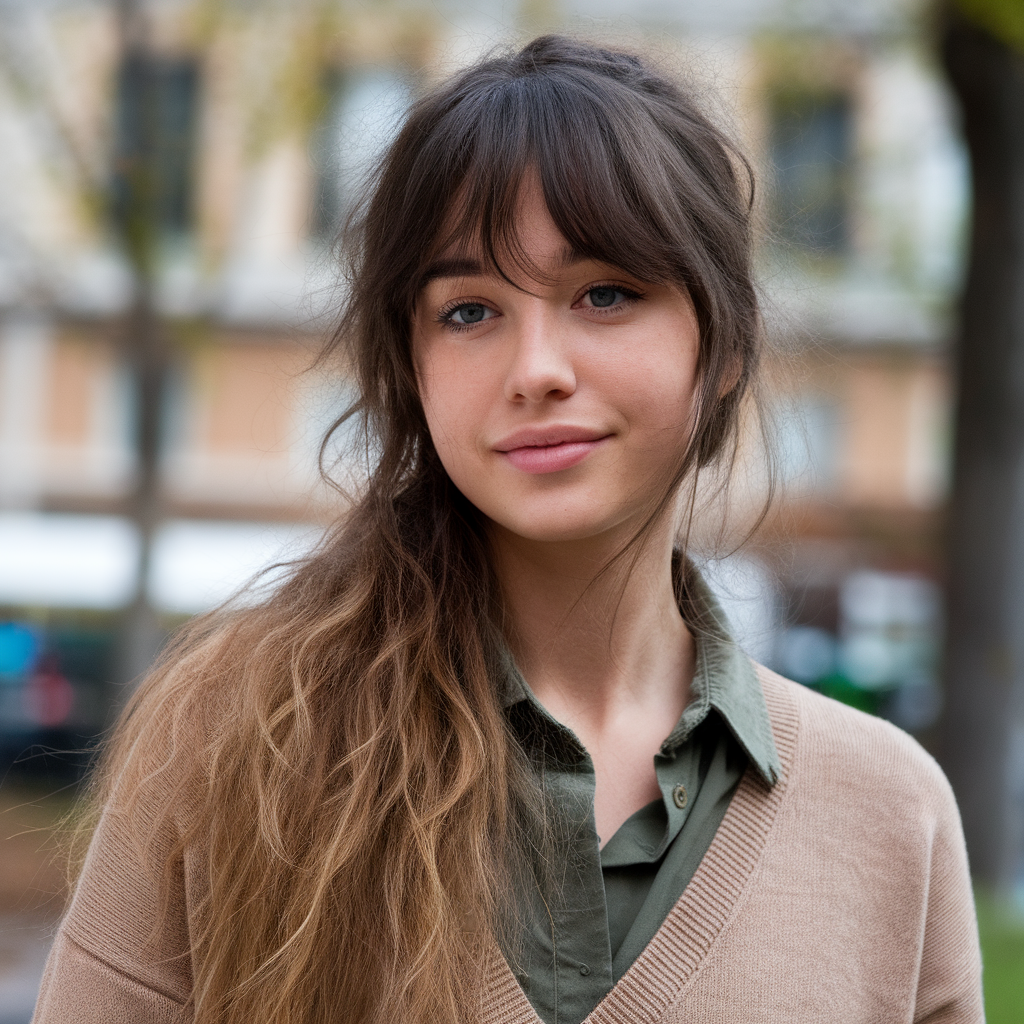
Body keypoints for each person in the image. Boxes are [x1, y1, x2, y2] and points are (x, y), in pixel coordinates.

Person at [33, 35, 982, 1024]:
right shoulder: (233, 741)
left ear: (726, 345)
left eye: (604, 295)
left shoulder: (889, 813)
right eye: (469, 310)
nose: (535, 368)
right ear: (410, 366)